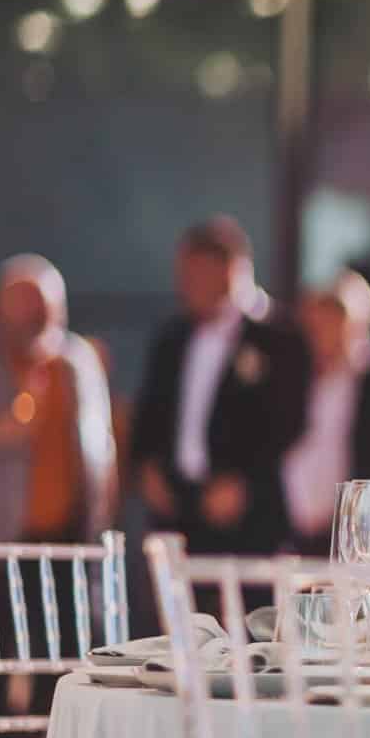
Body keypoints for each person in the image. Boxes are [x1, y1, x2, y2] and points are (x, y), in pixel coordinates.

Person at [0, 255, 116, 738]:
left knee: (58, 661)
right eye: (24, 310)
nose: (35, 321)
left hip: (65, 545)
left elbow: (100, 449)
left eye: (44, 310)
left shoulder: (78, 360)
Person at [129, 218, 310, 558]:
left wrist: (244, 485)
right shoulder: (172, 337)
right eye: (184, 275)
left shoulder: (280, 337)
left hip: (246, 516)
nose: (187, 285)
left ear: (231, 269)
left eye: (197, 274)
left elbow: (290, 421)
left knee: (246, 610)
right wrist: (148, 469)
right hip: (175, 509)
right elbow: (149, 411)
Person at [283, 272, 370, 554]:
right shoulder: (296, 380)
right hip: (293, 534)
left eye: (333, 320)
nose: (322, 332)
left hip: (355, 537)